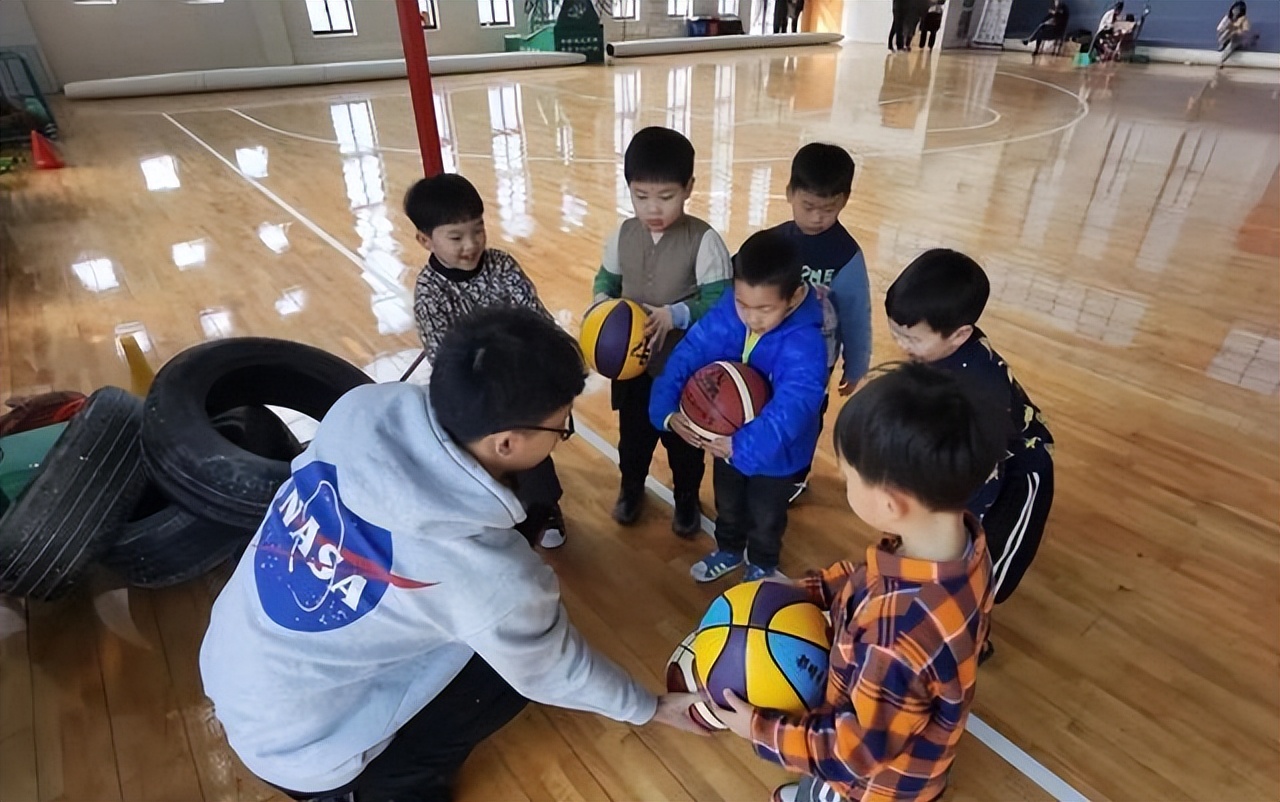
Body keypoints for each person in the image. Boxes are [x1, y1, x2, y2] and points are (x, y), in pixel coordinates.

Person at [199, 307, 703, 802]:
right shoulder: (489, 577)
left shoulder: (359, 410)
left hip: (229, 665)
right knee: (504, 677)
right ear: (506, 443)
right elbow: (554, 669)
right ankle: (391, 787)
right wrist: (649, 707)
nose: (561, 435)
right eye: (560, 427)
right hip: (309, 755)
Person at [712, 362, 1007, 802]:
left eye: (848, 478)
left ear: (890, 505)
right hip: (912, 744)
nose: (844, 483)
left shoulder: (895, 639)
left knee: (826, 786)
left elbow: (852, 752)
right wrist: (805, 591)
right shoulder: (963, 546)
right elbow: (867, 578)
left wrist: (758, 729)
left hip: (871, 787)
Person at [884, 249, 1055, 663]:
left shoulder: (979, 395)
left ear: (960, 335)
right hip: (966, 459)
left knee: (980, 571)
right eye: (896, 333)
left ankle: (971, 640)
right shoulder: (943, 350)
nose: (901, 345)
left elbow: (979, 483)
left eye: (912, 339)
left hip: (1016, 477)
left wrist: (945, 526)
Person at [650, 229, 827, 583]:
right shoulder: (729, 313)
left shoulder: (806, 344)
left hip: (777, 456)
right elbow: (691, 351)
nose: (751, 317)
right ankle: (729, 549)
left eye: (764, 309)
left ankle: (762, 564)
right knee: (727, 504)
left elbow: (794, 406)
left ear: (794, 297)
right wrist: (666, 409)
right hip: (725, 441)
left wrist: (742, 446)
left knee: (766, 517)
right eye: (742, 304)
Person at [406, 173, 567, 550]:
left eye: (478, 230)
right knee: (483, 469)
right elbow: (445, 357)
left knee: (533, 452)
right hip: (475, 397)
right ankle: (494, 517)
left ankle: (544, 507)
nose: (471, 244)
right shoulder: (429, 292)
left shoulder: (502, 265)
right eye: (456, 237)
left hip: (520, 387)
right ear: (425, 240)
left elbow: (535, 315)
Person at [592, 126, 733, 537]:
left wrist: (678, 314)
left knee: (684, 443)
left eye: (666, 196)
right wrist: (601, 302)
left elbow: (722, 304)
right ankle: (631, 487)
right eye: (641, 196)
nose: (653, 208)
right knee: (633, 438)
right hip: (632, 367)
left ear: (689, 188)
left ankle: (686, 496)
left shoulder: (704, 241)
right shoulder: (622, 235)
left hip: (685, 368)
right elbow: (606, 280)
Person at [765, 143, 872, 503]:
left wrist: (856, 365)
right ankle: (765, 457)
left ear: (845, 200)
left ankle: (796, 475)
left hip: (816, 359)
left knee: (805, 416)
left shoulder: (846, 256)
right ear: (789, 194)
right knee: (767, 404)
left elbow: (856, 315)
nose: (817, 217)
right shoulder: (774, 241)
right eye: (808, 206)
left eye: (828, 209)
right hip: (769, 350)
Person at [1218, 1, 1257, 67]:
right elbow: (1220, 29)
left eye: (1237, 9)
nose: (1235, 11)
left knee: (1233, 41)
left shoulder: (1243, 19)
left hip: (1237, 40)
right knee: (1229, 36)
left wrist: (1236, 31)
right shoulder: (1229, 18)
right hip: (1227, 38)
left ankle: (1221, 61)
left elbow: (1245, 31)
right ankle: (1223, 46)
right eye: (1235, 9)